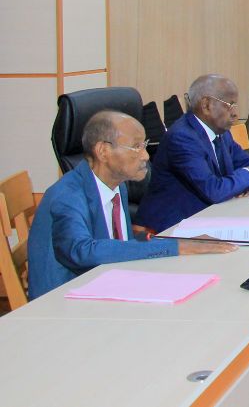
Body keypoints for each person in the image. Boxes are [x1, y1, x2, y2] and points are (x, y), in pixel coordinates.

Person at [28, 111, 235, 299]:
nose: (145, 156)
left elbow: (121, 243)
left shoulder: (118, 186)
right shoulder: (67, 196)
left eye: (144, 145)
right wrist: (175, 247)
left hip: (107, 287)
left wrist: (180, 241)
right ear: (103, 151)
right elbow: (82, 251)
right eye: (136, 147)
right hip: (63, 306)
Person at [135, 74, 249, 233]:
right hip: (169, 227)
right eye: (229, 105)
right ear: (206, 105)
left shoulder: (221, 132)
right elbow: (215, 191)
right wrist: (247, 177)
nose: (235, 114)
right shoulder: (182, 138)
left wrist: (243, 181)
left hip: (208, 217)